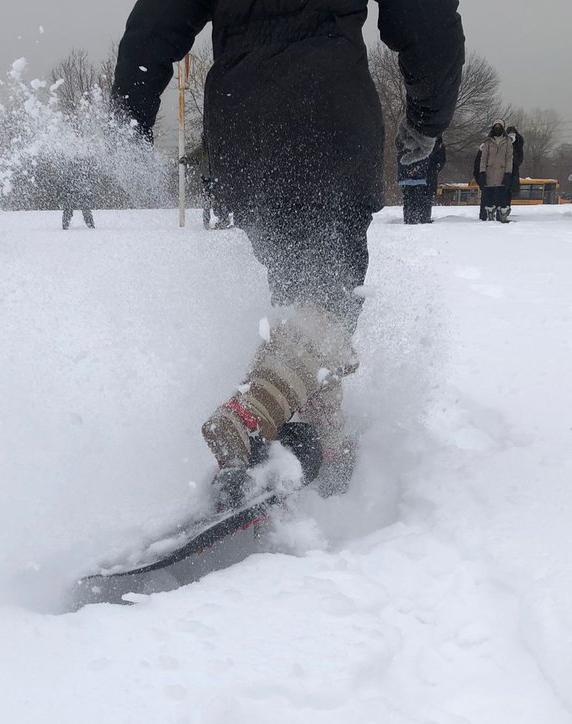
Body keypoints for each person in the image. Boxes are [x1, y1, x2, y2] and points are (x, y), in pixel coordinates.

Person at [111, 0, 465, 501]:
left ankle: (327, 431)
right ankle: (253, 412)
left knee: (298, 291)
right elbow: (425, 18)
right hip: (330, 116)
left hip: (243, 130)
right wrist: (428, 116)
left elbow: (156, 24)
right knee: (330, 299)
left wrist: (128, 117)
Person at [474, 119, 515, 223]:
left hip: (502, 173)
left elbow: (509, 159)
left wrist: (508, 173)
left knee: (502, 196)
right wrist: (482, 172)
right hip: (489, 173)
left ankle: (501, 215)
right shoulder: (487, 141)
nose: (497, 128)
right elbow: (483, 158)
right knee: (489, 196)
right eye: (495, 126)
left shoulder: (507, 142)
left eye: (499, 126)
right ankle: (489, 214)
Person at [400, 135, 445, 224]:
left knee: (424, 195)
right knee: (415, 195)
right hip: (420, 172)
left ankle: (421, 216)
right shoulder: (421, 141)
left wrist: (435, 168)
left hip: (427, 172)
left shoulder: (438, 143)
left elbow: (441, 159)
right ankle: (415, 216)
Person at [58, 153, 96, 230]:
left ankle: (65, 225)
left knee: (69, 209)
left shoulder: (70, 169)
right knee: (84, 209)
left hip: (74, 191)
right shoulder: (83, 168)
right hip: (80, 191)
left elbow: (65, 181)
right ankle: (90, 225)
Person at [506, 124, 525, 214]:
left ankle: (506, 207)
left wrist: (515, 160)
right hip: (504, 169)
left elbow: (520, 158)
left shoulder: (518, 145)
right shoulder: (504, 143)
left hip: (513, 171)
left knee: (509, 190)